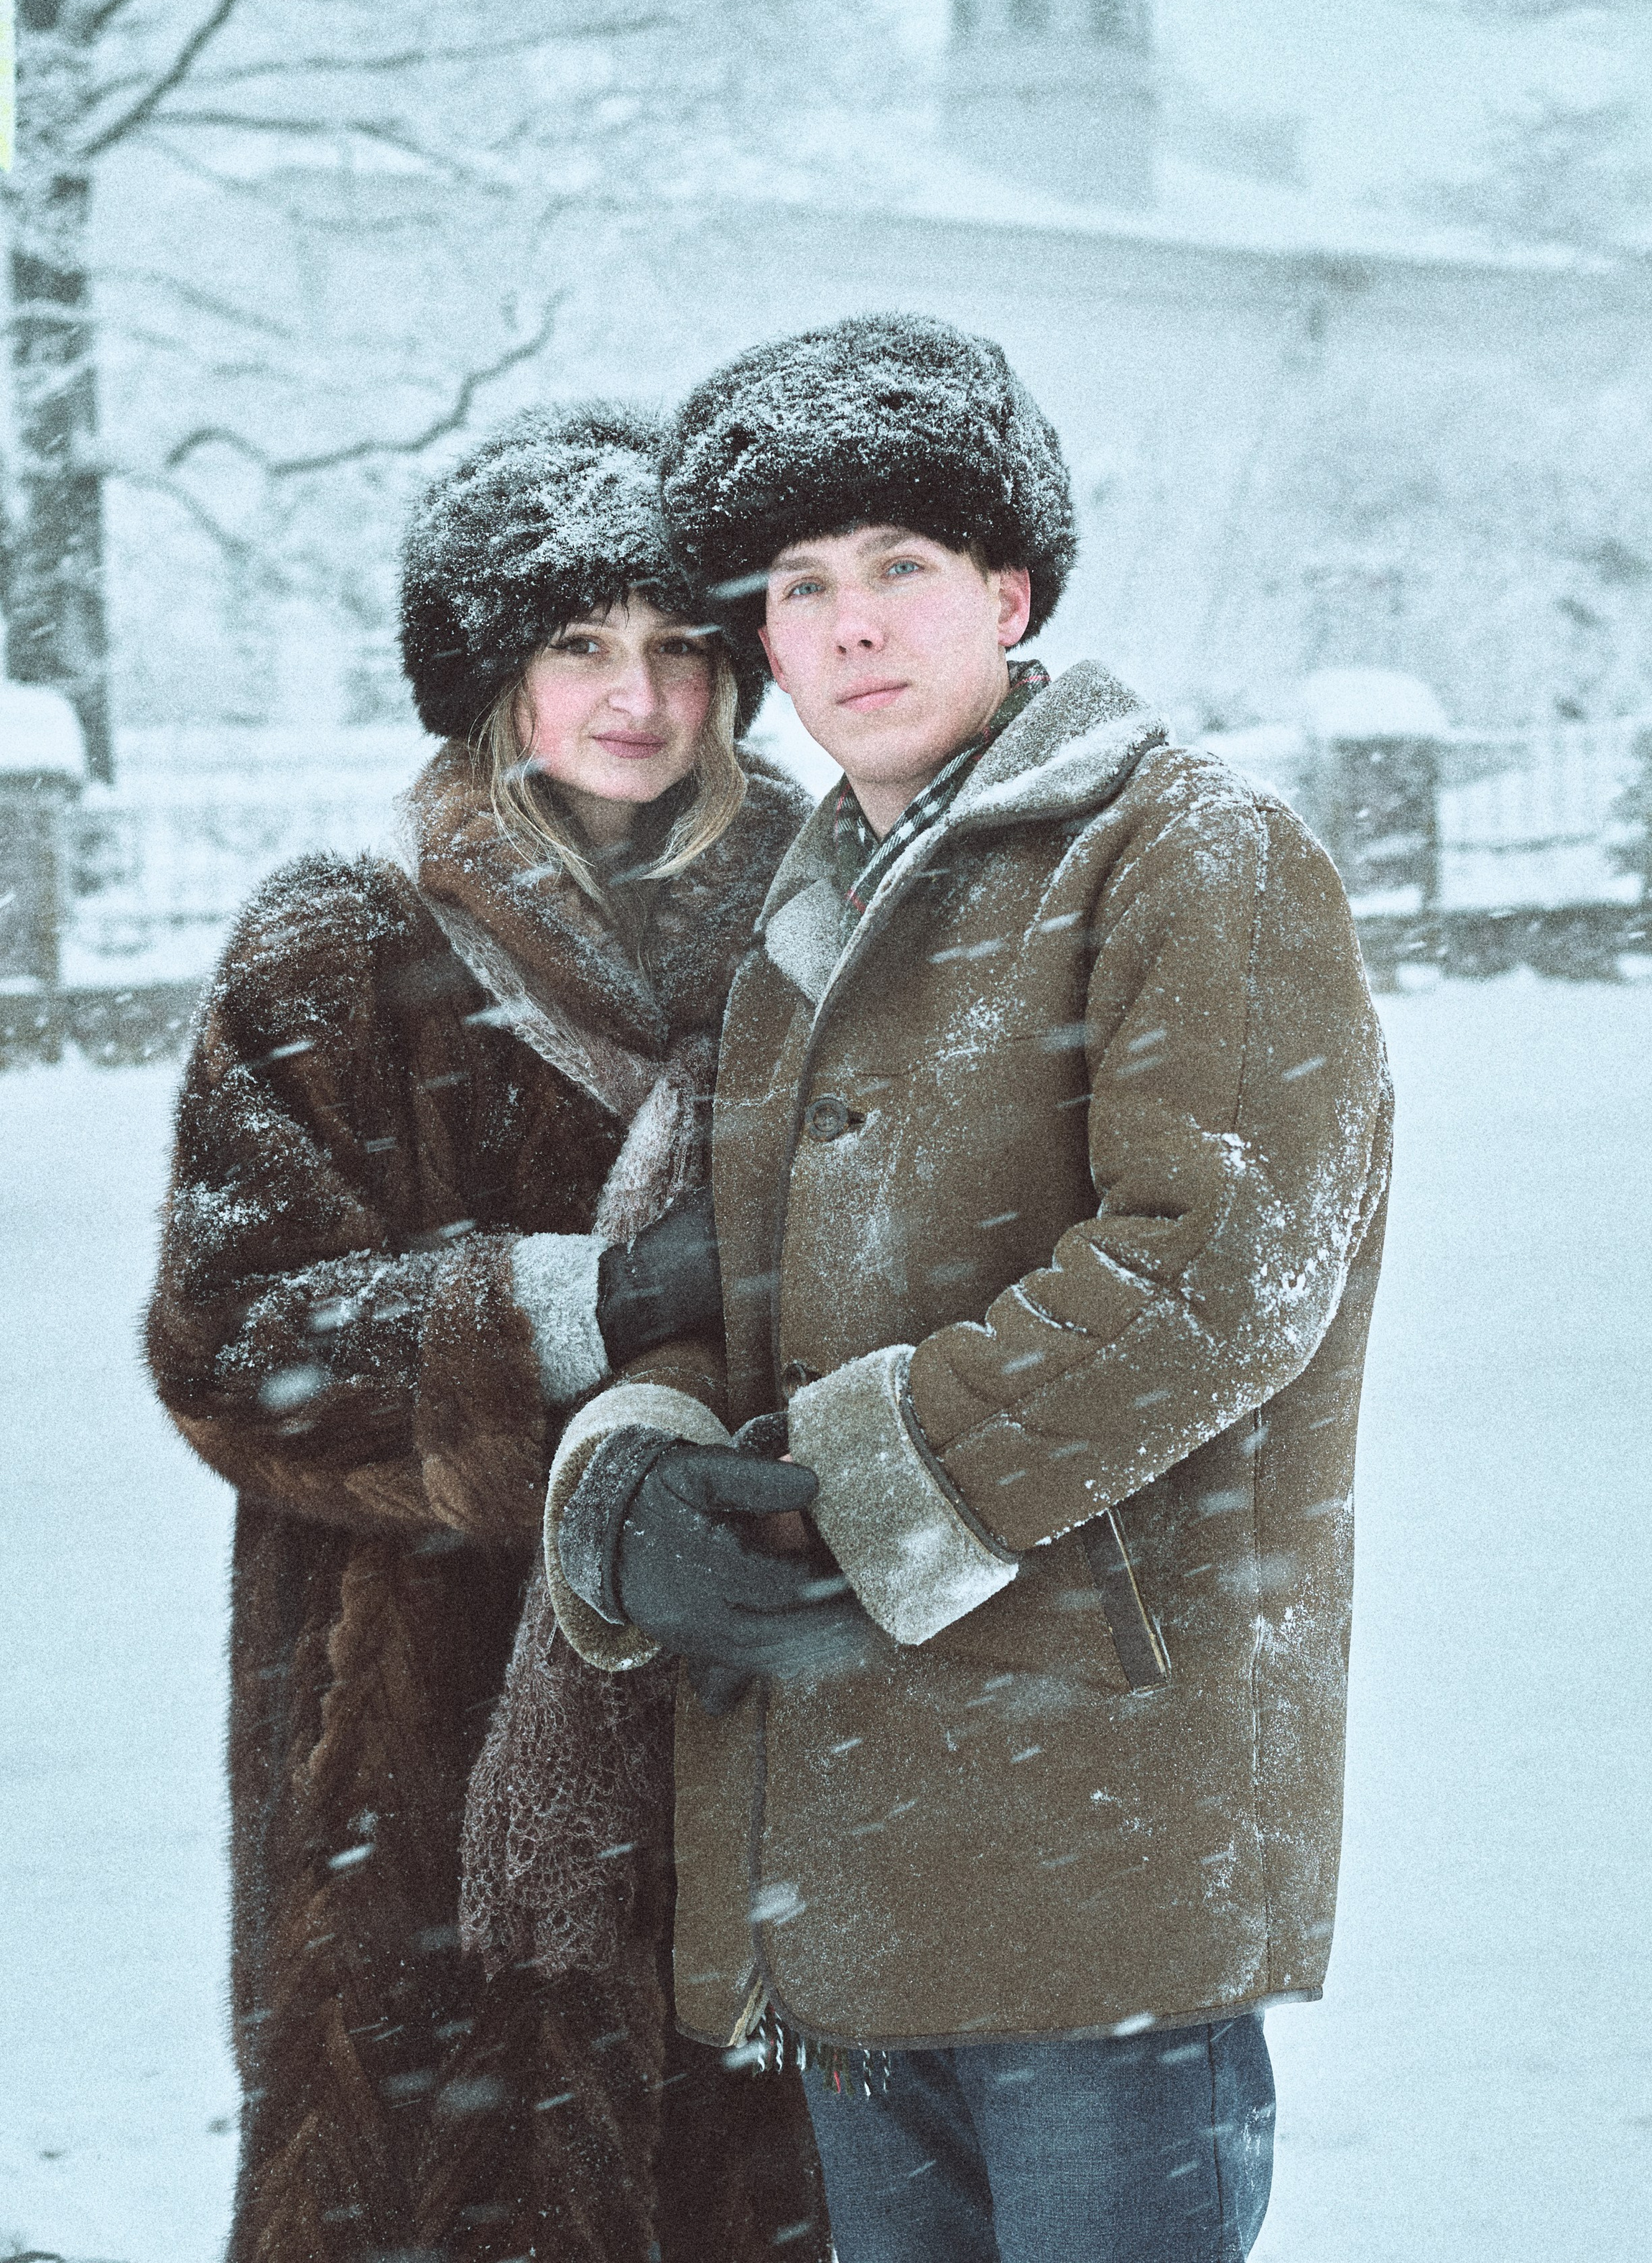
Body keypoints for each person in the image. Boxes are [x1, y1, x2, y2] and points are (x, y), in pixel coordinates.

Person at [543, 317, 1395, 2263]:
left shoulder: (1195, 853)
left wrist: (862, 1485)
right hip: (839, 1852)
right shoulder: (791, 917)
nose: (849, 630)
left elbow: (1224, 1267)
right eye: (801, 591)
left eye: (902, 572)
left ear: (1009, 591)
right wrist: (642, 1475)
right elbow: (712, 1287)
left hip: (1092, 1821)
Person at [142, 402, 827, 2263]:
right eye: (580, 645)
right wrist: (565, 1309)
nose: (639, 697)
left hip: (751, 1710)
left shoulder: (833, 937)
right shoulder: (337, 950)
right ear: (492, 675)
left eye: (684, 646)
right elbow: (232, 1338)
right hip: (419, 1764)